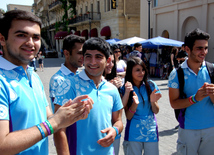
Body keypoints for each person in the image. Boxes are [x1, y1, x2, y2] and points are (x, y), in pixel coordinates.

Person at [0, 10, 93, 155]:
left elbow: (49, 116)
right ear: (2, 39)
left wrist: (70, 112)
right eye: (21, 35)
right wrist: (54, 123)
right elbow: (2, 145)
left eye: (36, 37)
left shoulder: (33, 75)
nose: (30, 43)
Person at [54, 37, 124, 155]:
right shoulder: (69, 85)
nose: (92, 62)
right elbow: (58, 128)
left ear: (108, 61)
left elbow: (118, 121)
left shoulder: (112, 89)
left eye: (98, 57)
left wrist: (115, 130)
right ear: (83, 58)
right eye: (88, 56)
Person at [168, 28, 214, 155]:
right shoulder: (177, 74)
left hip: (211, 129)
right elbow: (174, 103)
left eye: (205, 48)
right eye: (199, 48)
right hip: (188, 130)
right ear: (187, 49)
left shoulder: (212, 70)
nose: (203, 52)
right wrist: (195, 98)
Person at [120, 57, 161, 155]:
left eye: (143, 69)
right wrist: (134, 104)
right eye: (137, 70)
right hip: (133, 133)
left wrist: (152, 101)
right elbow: (128, 116)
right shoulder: (125, 89)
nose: (141, 73)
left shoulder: (151, 85)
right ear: (130, 72)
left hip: (151, 132)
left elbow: (156, 111)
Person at [49, 34, 85, 112]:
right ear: (66, 53)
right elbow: (58, 112)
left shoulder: (80, 75)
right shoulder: (58, 79)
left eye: (84, 53)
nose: (83, 57)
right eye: (79, 53)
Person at [103, 51, 123, 155]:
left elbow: (120, 110)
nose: (111, 64)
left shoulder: (115, 80)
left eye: (112, 61)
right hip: (100, 132)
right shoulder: (92, 82)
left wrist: (119, 91)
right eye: (108, 61)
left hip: (114, 131)